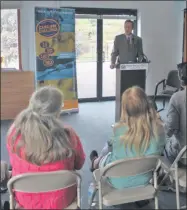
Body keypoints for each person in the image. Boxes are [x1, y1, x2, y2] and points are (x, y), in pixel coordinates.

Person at [6, 86, 85, 209]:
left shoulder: (14, 134)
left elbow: (13, 161)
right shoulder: (69, 135)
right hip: (62, 200)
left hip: (26, 201)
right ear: (58, 110)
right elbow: (79, 164)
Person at [90, 86, 166, 189]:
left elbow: (111, 148)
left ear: (125, 109)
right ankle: (97, 160)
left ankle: (95, 162)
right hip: (144, 180)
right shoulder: (159, 131)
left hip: (116, 180)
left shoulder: (118, 130)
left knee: (106, 153)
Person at [164, 62, 187, 164]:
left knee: (159, 144)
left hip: (182, 155)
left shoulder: (177, 98)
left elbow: (170, 130)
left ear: (181, 78)